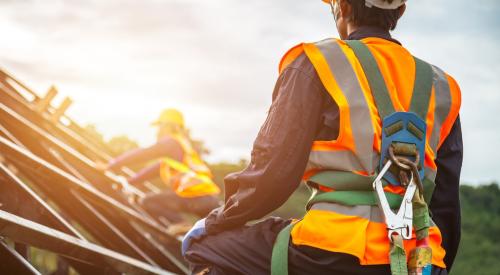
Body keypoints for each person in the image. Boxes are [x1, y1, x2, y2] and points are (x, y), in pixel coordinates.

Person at [182, 0, 462, 274]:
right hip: (422, 261)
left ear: (343, 7)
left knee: (203, 246)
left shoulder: (317, 62)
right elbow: (446, 204)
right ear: (401, 10)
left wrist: (217, 221)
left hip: (333, 252)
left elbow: (272, 175)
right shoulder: (444, 87)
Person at [100, 108, 221, 226]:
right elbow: (152, 171)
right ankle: (178, 229)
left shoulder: (171, 142)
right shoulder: (181, 147)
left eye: (160, 126)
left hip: (195, 197)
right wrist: (129, 182)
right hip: (208, 200)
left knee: (149, 202)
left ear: (168, 126)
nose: (158, 130)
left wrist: (111, 165)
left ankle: (181, 224)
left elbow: (144, 153)